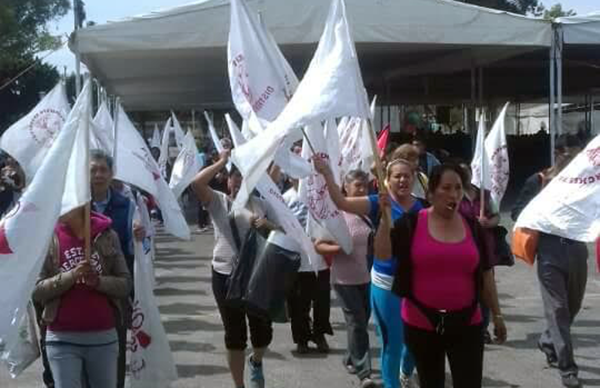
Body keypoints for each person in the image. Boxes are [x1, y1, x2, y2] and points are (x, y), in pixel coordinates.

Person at [374, 163, 507, 388]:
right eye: (446, 188)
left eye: (457, 188)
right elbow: (383, 254)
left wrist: (497, 315)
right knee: (431, 383)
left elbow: (486, 275)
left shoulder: (473, 227)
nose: (453, 194)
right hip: (421, 321)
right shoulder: (411, 224)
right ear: (431, 193)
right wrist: (384, 219)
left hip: (467, 322)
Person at [314, 157, 424, 388]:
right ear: (388, 180)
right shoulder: (377, 202)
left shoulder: (423, 207)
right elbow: (342, 202)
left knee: (415, 341)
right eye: (397, 176)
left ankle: (406, 373)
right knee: (392, 344)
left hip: (416, 282)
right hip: (386, 282)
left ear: (414, 178)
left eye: (407, 175)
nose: (403, 179)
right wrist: (326, 173)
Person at [191, 150, 276, 388]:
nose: (237, 181)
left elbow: (286, 232)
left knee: (262, 333)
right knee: (234, 334)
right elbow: (197, 183)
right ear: (226, 180)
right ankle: (239, 385)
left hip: (257, 275)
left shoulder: (264, 206)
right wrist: (220, 161)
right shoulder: (220, 201)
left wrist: (268, 225)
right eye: (233, 176)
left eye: (243, 176)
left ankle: (256, 362)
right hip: (225, 275)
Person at [511, 143, 586, 388]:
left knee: (572, 306)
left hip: (577, 249)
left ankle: (548, 340)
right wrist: (542, 215)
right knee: (557, 310)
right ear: (558, 157)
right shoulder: (539, 181)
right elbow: (517, 212)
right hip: (549, 252)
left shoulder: (585, 185)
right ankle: (568, 370)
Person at [32, 206, 132, 388]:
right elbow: (38, 291)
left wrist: (98, 282)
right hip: (61, 338)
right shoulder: (48, 238)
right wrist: (71, 276)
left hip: (103, 338)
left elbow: (125, 285)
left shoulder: (108, 236)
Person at [89, 149, 144, 388]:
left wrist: (140, 237)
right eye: (93, 169)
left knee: (116, 356)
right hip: (82, 290)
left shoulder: (126, 205)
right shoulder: (74, 206)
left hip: (116, 295)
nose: (98, 174)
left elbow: (135, 252)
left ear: (112, 174)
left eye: (103, 170)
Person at [315, 170, 375, 387]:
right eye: (357, 186)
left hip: (367, 278)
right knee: (357, 322)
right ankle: (364, 372)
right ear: (345, 188)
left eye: (365, 187)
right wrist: (338, 248)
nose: (361, 190)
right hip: (343, 280)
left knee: (361, 320)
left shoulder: (367, 213)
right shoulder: (336, 215)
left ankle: (351, 357)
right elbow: (319, 245)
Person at [283, 178, 333, 355]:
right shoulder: (285, 198)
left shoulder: (319, 196)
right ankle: (302, 339)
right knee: (298, 305)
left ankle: (319, 335)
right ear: (289, 177)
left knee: (322, 303)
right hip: (298, 263)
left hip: (320, 262)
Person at [458, 161, 501, 344]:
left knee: (486, 289)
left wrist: (488, 222)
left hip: (484, 248)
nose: (466, 175)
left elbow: (497, 215)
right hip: (462, 250)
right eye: (462, 172)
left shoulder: (484, 195)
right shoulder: (455, 195)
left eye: (468, 171)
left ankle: (482, 328)